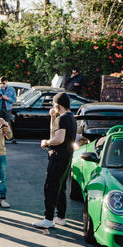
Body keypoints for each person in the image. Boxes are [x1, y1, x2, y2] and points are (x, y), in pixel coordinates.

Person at [33, 93, 77, 229]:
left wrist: (46, 143)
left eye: (53, 104)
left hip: (58, 158)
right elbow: (55, 132)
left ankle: (48, 218)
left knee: (51, 188)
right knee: (61, 188)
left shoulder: (63, 118)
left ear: (59, 105)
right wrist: (52, 117)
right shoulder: (70, 117)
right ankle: (60, 217)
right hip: (67, 157)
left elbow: (58, 139)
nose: (52, 106)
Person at [0, 76, 17, 144]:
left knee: (8, 123)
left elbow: (14, 100)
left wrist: (7, 98)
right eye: (1, 83)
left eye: (3, 83)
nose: (2, 85)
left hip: (7, 108)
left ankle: (11, 138)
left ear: (6, 82)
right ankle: (0, 138)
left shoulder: (11, 89)